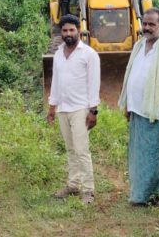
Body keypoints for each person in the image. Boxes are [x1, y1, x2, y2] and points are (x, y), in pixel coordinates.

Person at [117, 7, 159, 206]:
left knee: (149, 156)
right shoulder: (139, 46)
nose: (147, 28)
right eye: (145, 24)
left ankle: (142, 197)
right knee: (145, 154)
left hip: (155, 113)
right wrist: (128, 104)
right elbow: (132, 76)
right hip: (137, 110)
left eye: (151, 24)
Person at [47, 14, 101, 204]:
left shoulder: (89, 54)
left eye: (72, 30)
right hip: (63, 108)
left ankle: (88, 190)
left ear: (79, 31)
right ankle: (73, 185)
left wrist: (93, 111)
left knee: (81, 150)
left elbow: (94, 84)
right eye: (65, 30)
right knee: (70, 149)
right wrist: (52, 106)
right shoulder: (59, 54)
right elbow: (56, 82)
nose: (68, 33)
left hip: (80, 109)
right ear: (60, 32)